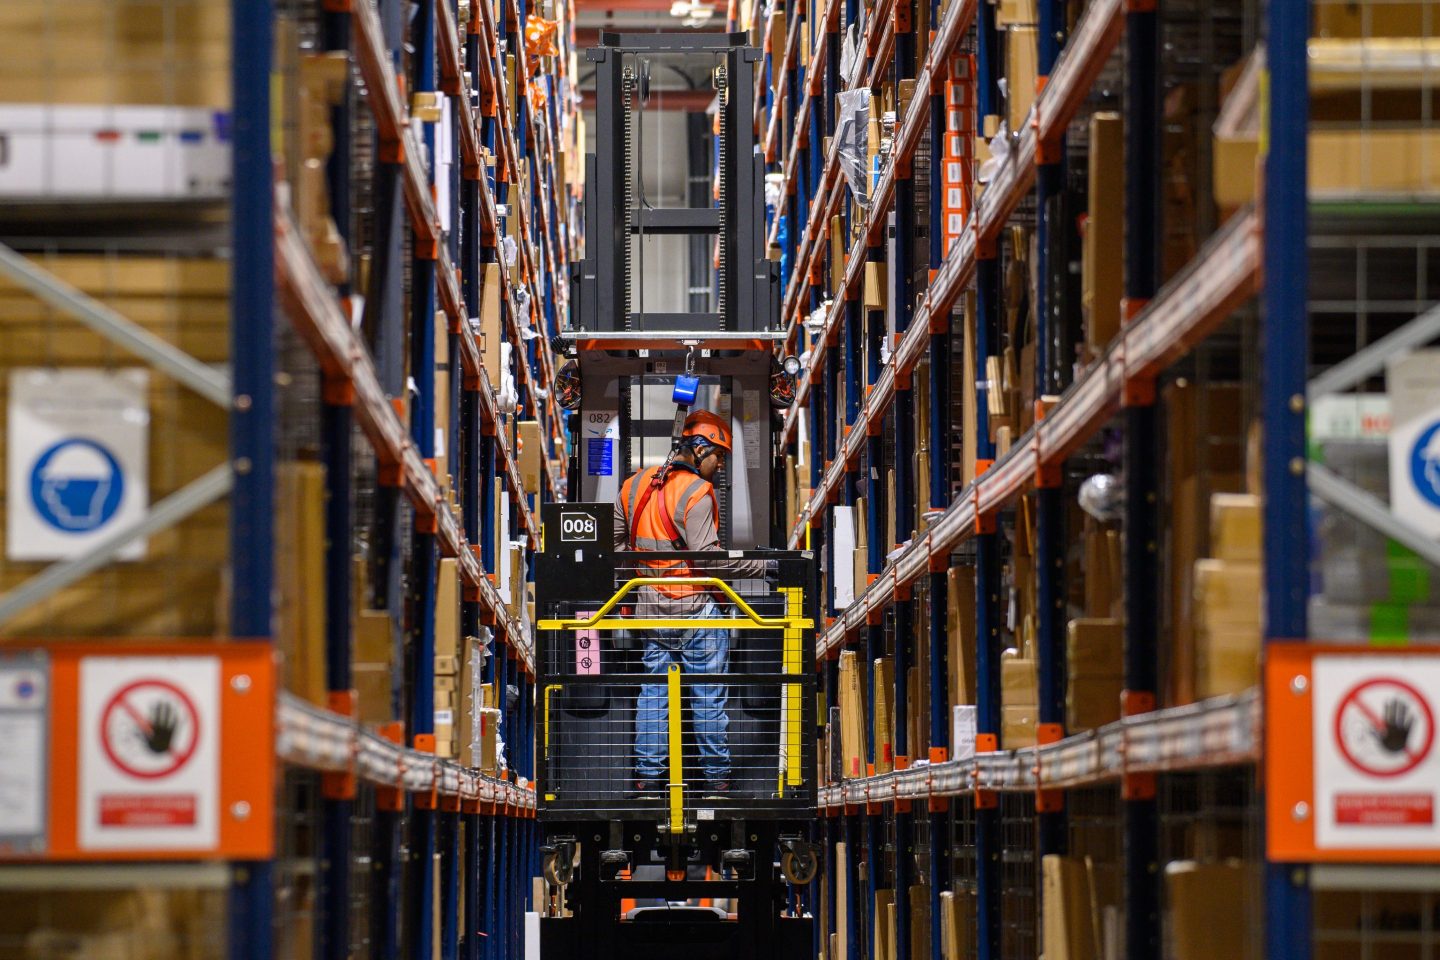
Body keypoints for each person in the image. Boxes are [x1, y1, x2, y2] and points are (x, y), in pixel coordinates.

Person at [613, 409, 767, 798]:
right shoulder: (698, 492)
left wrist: (646, 582)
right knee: (708, 694)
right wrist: (764, 566)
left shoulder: (632, 487)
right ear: (700, 450)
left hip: (650, 612)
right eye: (719, 457)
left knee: (653, 696)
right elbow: (710, 560)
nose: (719, 467)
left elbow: (616, 550)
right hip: (695, 610)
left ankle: (648, 778)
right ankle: (717, 778)